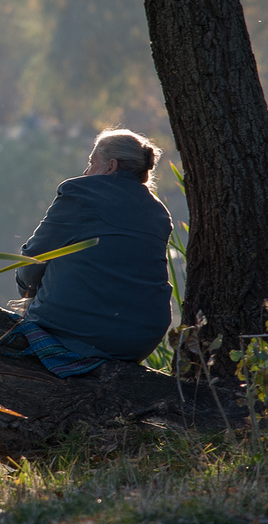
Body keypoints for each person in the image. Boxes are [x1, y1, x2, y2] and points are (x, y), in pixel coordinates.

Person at [10, 129, 173, 375]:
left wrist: (26, 291)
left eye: (91, 162)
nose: (86, 172)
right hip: (139, 341)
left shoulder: (81, 192)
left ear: (111, 166)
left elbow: (34, 258)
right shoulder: (159, 212)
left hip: (79, 331)